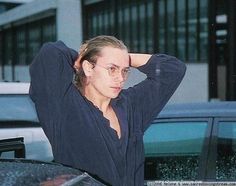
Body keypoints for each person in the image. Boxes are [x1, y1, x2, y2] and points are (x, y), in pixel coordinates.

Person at [29, 35, 186, 186]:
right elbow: (50, 53)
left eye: (125, 70)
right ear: (88, 67)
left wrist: (123, 57)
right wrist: (84, 56)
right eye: (112, 69)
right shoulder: (64, 106)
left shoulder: (131, 106)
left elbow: (172, 69)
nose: (120, 78)